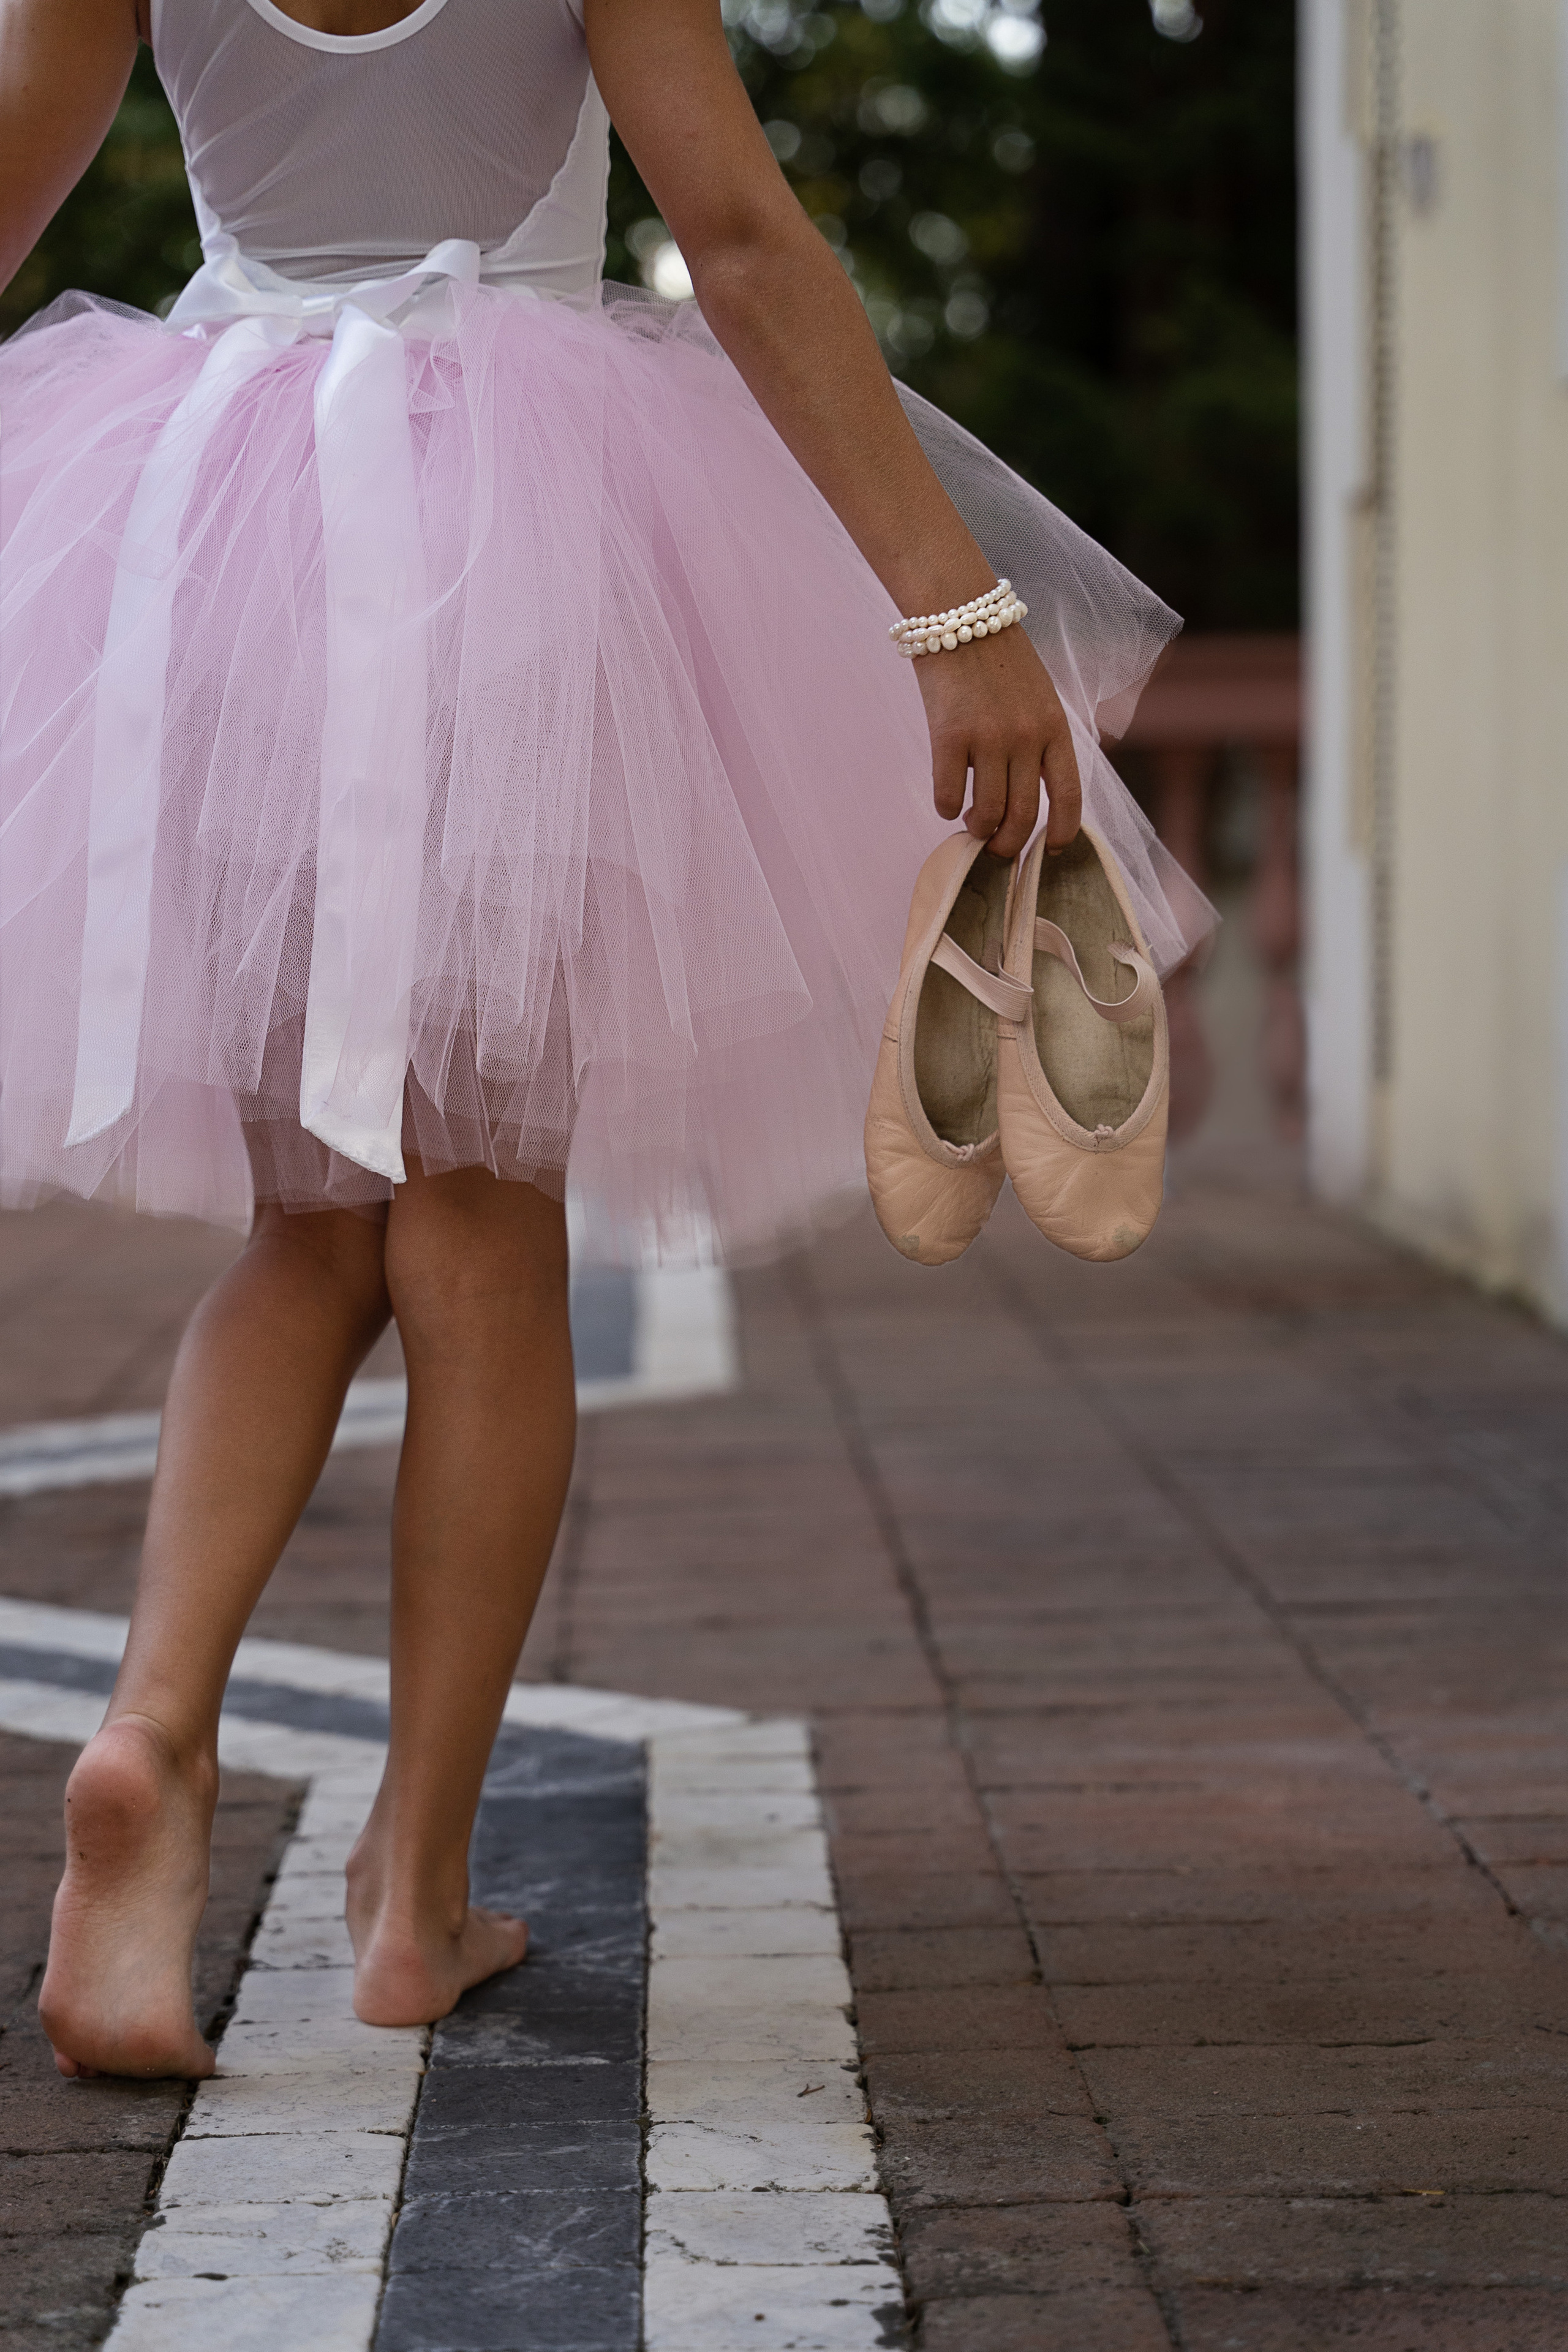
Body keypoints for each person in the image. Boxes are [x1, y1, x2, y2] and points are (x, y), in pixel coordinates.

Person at [0, 0, 1211, 2080]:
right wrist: (950, 603)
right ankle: (415, 1893)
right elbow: (732, 234)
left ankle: (152, 1737)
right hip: (512, 544)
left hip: (206, 542)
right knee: (475, 1237)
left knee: (306, 1230)